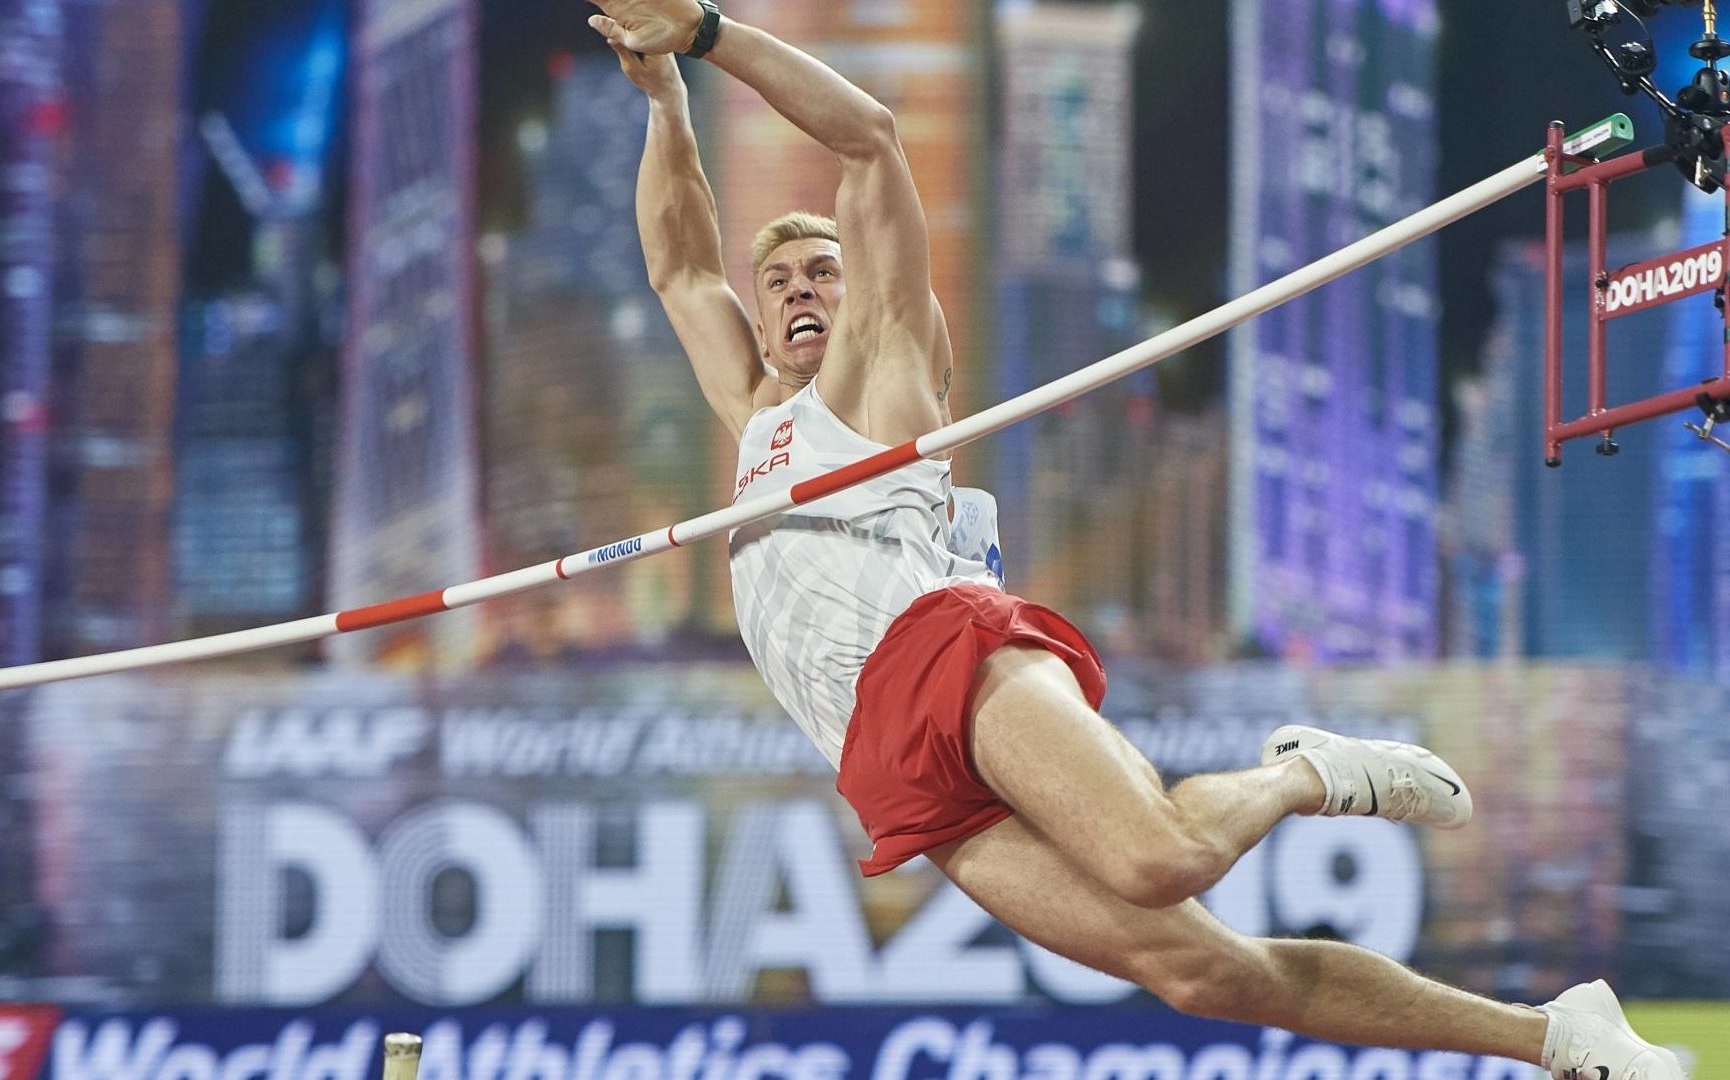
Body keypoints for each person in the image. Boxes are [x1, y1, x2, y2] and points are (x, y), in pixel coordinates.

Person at [586, 2, 1686, 1077]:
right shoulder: (755, 419)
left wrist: (709, 35)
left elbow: (868, 136)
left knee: (1158, 857)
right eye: (776, 282)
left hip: (937, 651)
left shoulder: (882, 368)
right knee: (1205, 975)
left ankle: (1307, 774)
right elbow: (683, 268)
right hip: (877, 755)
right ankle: (1555, 1035)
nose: (796, 291)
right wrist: (665, 100)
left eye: (821, 270)